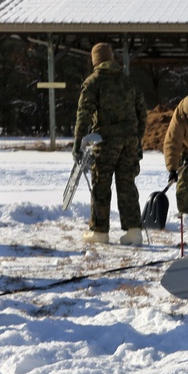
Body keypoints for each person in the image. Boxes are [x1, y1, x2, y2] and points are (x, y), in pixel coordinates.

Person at [73, 43, 148, 246]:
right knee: (127, 183)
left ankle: (100, 232)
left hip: (106, 141)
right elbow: (143, 114)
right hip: (130, 141)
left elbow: (84, 115)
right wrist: (136, 138)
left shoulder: (93, 82)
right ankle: (134, 231)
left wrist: (78, 144)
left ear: (95, 60)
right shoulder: (128, 81)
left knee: (101, 184)